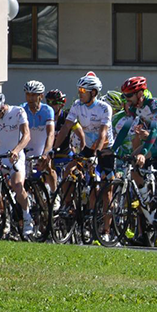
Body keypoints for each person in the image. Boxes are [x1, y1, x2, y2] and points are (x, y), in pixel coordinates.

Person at [56, 72, 114, 240]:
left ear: (93, 93)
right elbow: (66, 127)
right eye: (79, 90)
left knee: (105, 188)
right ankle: (67, 204)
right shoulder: (77, 105)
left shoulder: (104, 108)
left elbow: (103, 134)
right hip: (88, 147)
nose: (80, 93)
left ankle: (107, 231)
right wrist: (53, 148)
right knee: (68, 170)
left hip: (105, 148)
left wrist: (96, 153)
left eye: (83, 90)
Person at [0, 89, 34, 237]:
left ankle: (27, 217)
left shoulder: (18, 112)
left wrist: (16, 150)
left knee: (17, 185)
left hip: (15, 155)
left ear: (2, 107)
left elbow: (27, 135)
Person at [22, 80, 56, 195]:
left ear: (41, 96)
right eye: (28, 95)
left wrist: (46, 153)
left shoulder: (47, 110)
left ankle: (53, 194)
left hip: (42, 147)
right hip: (27, 148)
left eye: (33, 95)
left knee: (48, 169)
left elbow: (50, 134)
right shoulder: (22, 109)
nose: (30, 98)